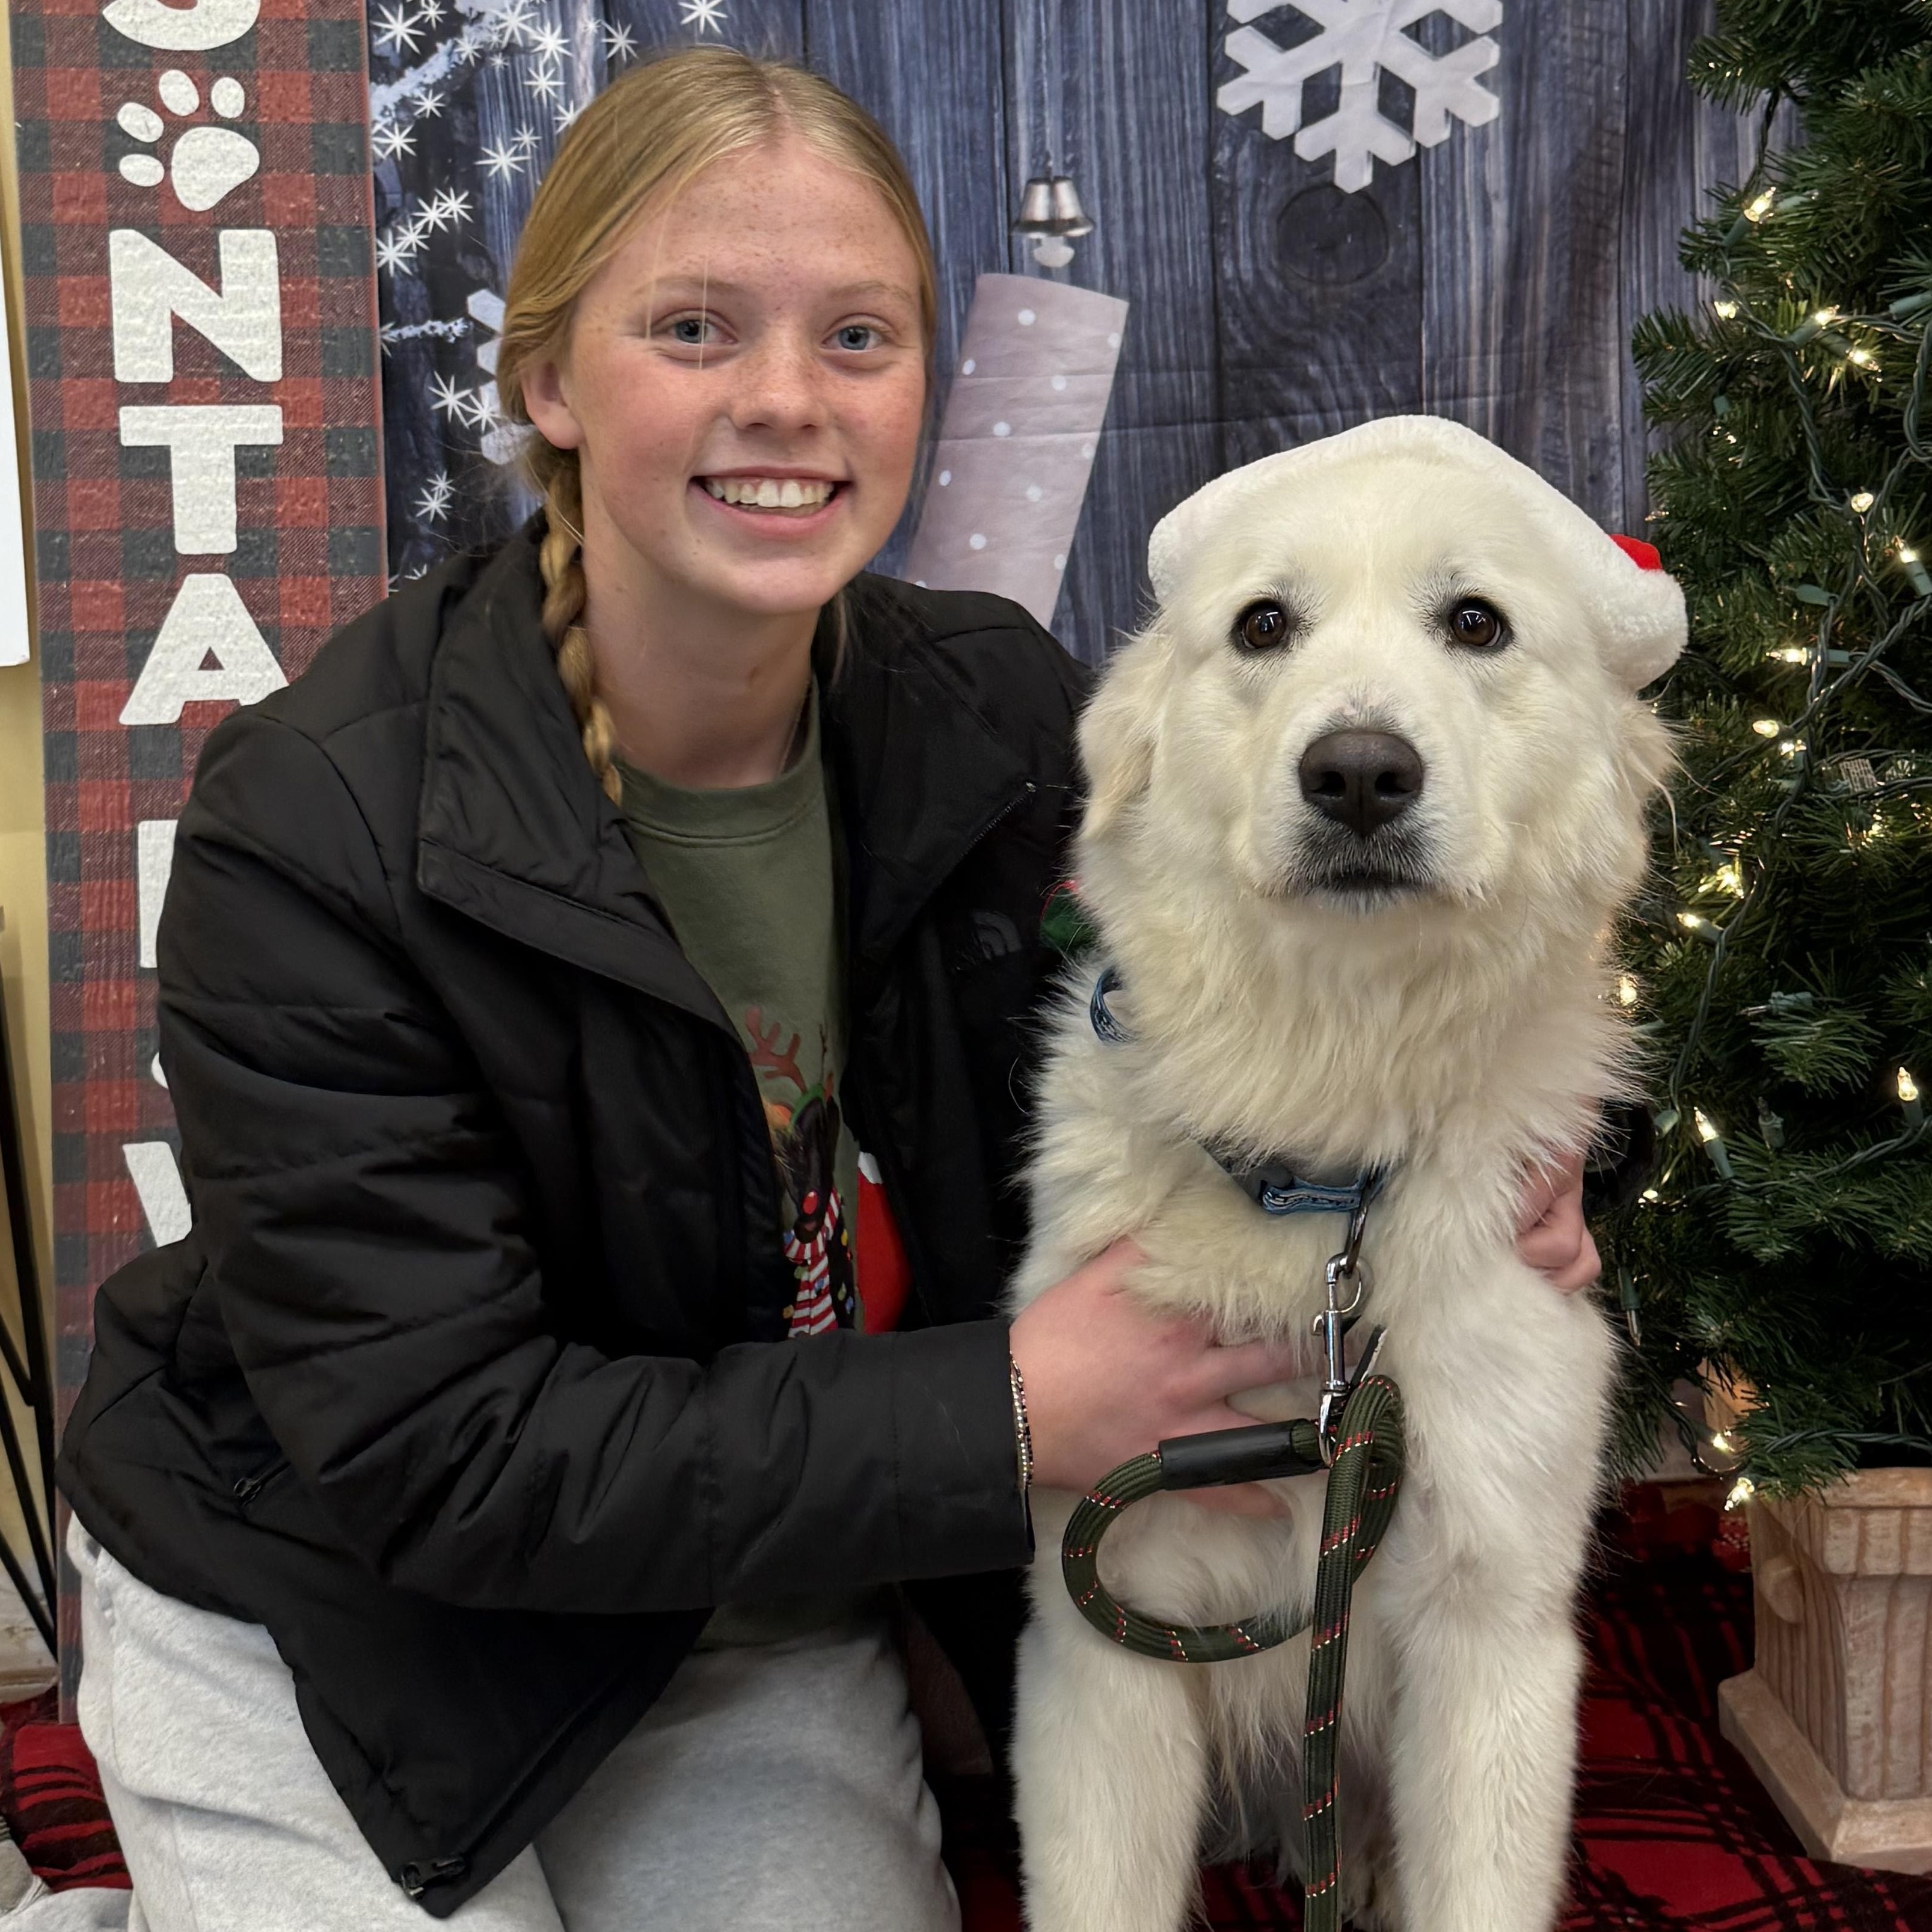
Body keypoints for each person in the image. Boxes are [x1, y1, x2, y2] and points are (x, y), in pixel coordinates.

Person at [56, 46, 1606, 1932]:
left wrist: (1484, 1177)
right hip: (342, 1598)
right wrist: (1013, 1417)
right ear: (547, 380)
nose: (784, 398)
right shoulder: (312, 827)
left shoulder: (1007, 727)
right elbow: (433, 1456)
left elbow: (1321, 1004)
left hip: (758, 1592)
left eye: (857, 336)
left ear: (919, 392)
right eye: (696, 327)